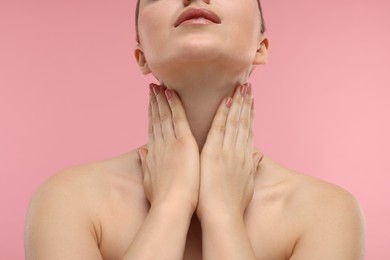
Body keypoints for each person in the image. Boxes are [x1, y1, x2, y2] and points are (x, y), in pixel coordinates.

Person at [24, 0, 366, 259]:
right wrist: (172, 203)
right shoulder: (68, 200)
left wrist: (223, 212)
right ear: (141, 56)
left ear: (261, 48)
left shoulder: (326, 212)